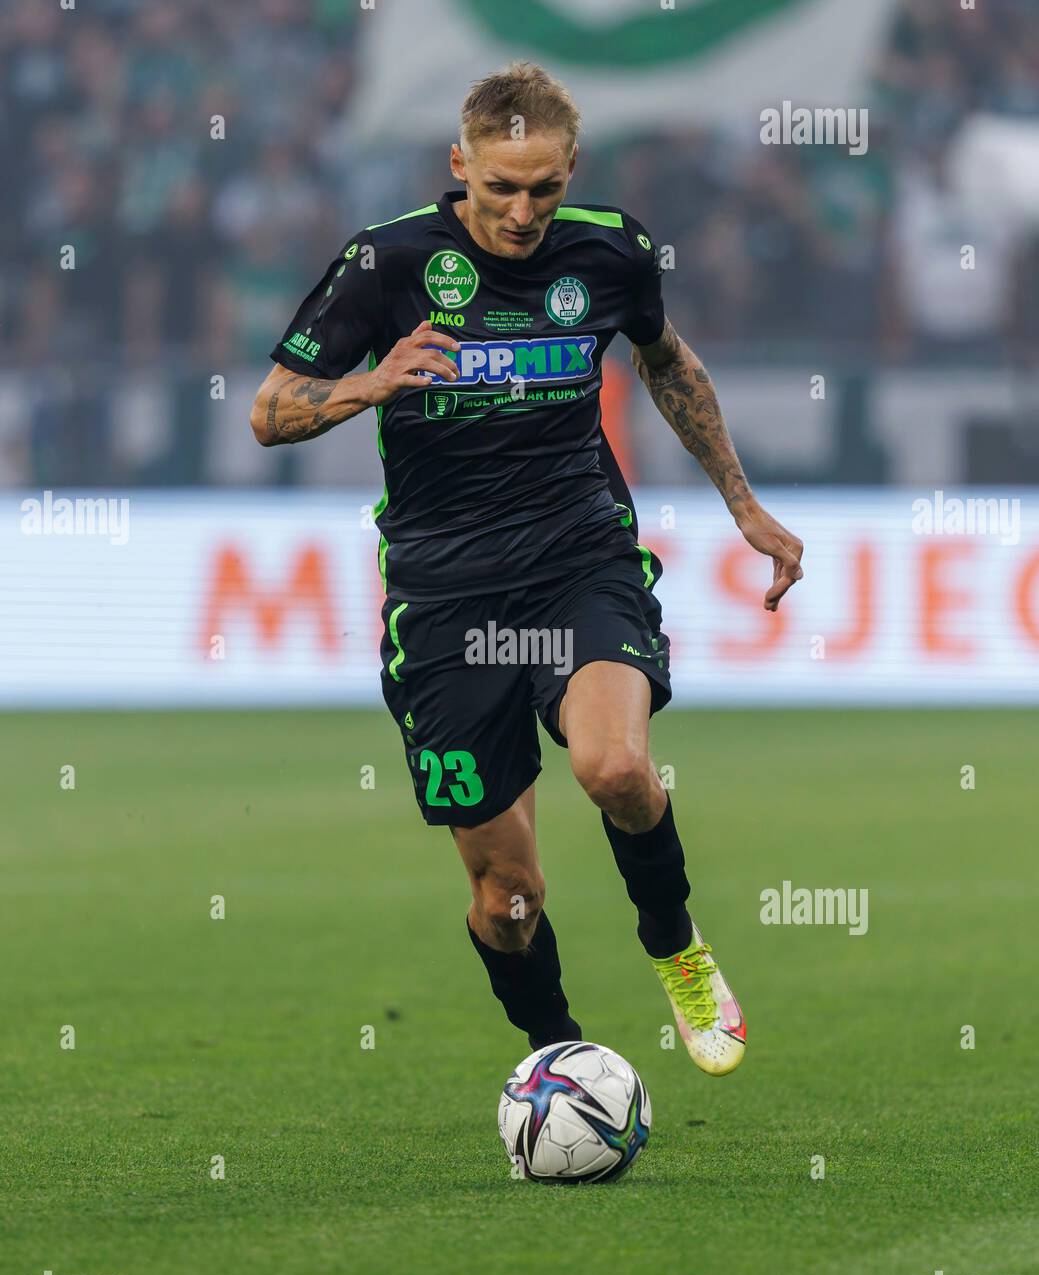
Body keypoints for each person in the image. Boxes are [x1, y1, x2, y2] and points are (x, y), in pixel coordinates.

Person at [250, 62, 804, 1077]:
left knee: (615, 766)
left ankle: (674, 944)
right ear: (459, 164)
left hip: (576, 558)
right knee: (509, 902)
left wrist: (743, 503)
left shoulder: (611, 252)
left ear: (570, 170)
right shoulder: (387, 262)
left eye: (542, 187)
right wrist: (374, 380)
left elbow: (666, 361)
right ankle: (559, 1060)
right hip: (443, 598)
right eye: (497, 186)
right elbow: (270, 409)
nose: (519, 210)